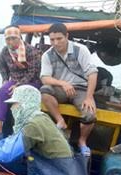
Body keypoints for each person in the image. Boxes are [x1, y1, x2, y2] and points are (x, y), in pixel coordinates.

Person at [40, 23, 98, 156]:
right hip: (60, 88)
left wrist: (89, 97)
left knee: (90, 114)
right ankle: (60, 121)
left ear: (67, 36)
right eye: (52, 40)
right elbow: (45, 78)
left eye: (59, 39)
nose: (56, 43)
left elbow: (93, 73)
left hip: (81, 89)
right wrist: (62, 83)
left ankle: (82, 141)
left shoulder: (80, 50)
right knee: (44, 91)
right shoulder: (47, 55)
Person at [0, 26, 42, 137]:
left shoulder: (31, 50)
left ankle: (22, 130)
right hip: (15, 79)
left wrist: (19, 85)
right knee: (2, 91)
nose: (10, 41)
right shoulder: (5, 51)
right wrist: (5, 79)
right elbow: (0, 64)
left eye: (13, 38)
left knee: (18, 94)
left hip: (32, 81)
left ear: (19, 37)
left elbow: (33, 72)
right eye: (8, 39)